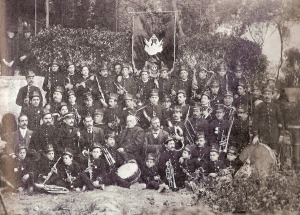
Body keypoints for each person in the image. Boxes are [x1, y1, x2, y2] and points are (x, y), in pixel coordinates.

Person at [252, 85, 285, 152]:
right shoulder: (259, 107)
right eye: (265, 94)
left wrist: (281, 135)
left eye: (269, 94)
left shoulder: (276, 107)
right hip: (263, 137)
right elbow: (255, 122)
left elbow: (280, 121)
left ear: (272, 95)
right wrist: (255, 135)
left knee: (274, 155)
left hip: (274, 136)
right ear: (263, 95)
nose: (267, 96)